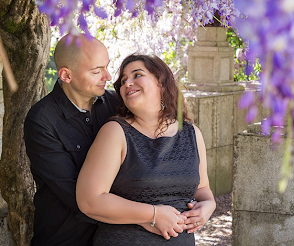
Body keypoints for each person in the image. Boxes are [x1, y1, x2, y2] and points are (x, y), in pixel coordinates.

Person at [76, 54, 216, 245]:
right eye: (123, 81)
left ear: (162, 83)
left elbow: (202, 188)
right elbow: (89, 201)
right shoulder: (115, 132)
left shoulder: (191, 133)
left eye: (137, 75)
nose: (128, 83)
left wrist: (209, 205)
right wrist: (153, 214)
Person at [24, 34, 119, 246]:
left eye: (107, 66)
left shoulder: (116, 104)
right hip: (67, 238)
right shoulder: (42, 121)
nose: (108, 76)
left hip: (116, 237)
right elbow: (80, 197)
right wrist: (150, 214)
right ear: (66, 75)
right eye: (97, 71)